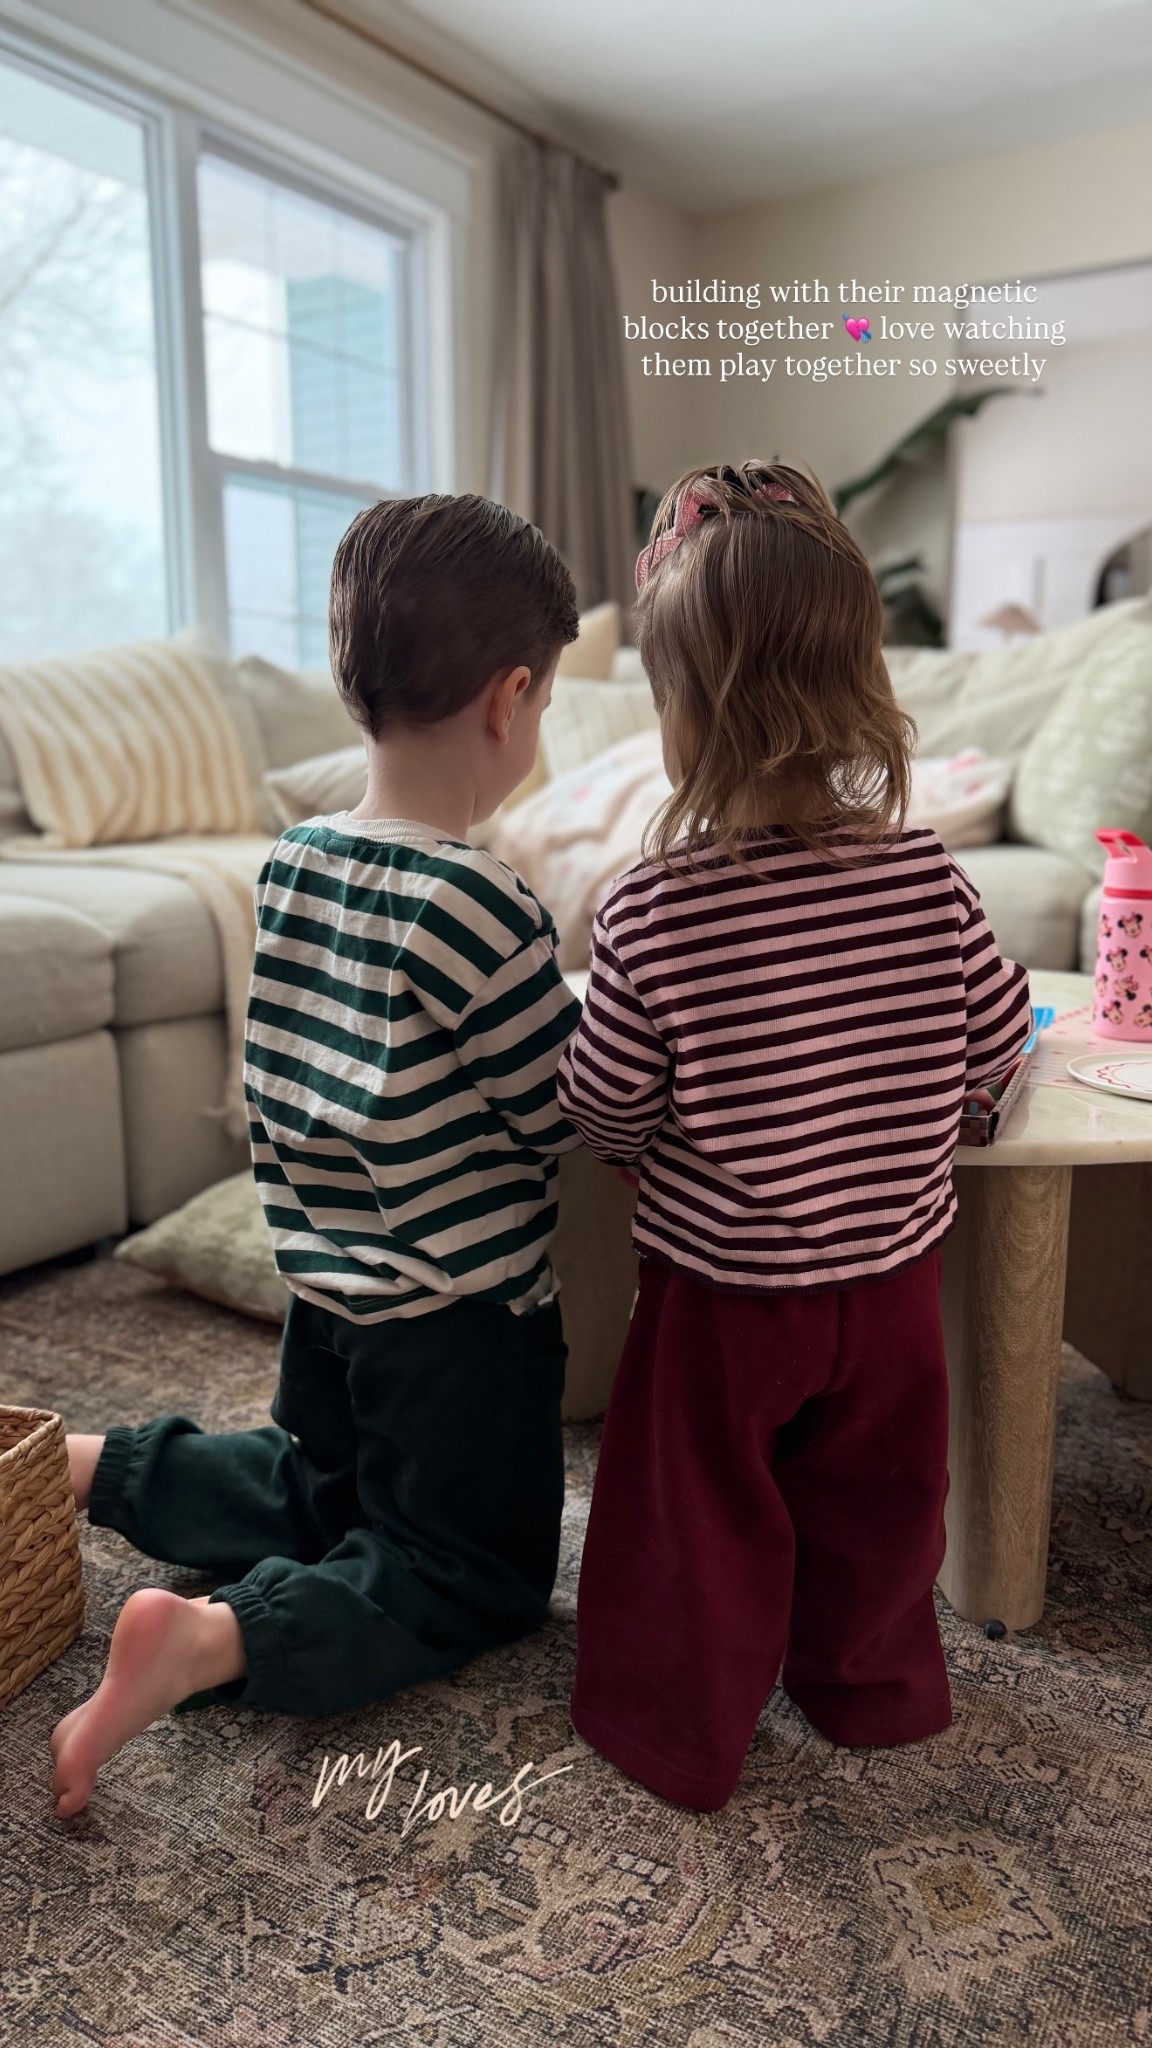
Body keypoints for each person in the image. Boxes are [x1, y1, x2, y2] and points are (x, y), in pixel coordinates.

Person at [52, 494, 584, 1818]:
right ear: (513, 701)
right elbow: (565, 1111)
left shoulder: (291, 863)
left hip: (329, 1299)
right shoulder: (482, 899)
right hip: (459, 1328)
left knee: (313, 1486)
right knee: (466, 1569)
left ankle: (92, 1467)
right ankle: (213, 1641)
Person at [557, 460, 1032, 1813]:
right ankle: (872, 1692)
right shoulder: (929, 874)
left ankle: (676, 1726)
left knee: (690, 1519)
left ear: (680, 713)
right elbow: (997, 1050)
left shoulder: (650, 912)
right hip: (890, 1288)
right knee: (883, 1501)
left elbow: (605, 1110)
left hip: (724, 1300)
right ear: (854, 690)